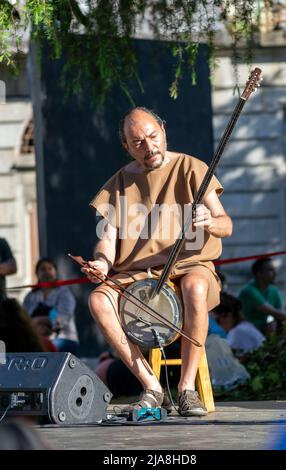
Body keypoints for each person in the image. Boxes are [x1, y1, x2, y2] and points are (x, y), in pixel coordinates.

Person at [83, 107, 232, 416]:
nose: (148, 147)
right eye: (137, 142)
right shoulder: (119, 183)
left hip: (190, 267)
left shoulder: (192, 167)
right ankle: (151, 385)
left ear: (163, 131)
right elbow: (108, 240)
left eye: (152, 137)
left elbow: (226, 225)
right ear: (126, 145)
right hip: (137, 274)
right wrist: (100, 263)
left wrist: (210, 220)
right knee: (98, 301)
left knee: (194, 287)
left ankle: (187, 389)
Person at [23, 258, 79, 354]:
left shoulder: (64, 293)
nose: (46, 272)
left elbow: (63, 319)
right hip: (37, 337)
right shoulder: (31, 296)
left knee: (44, 349)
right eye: (43, 269)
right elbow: (24, 319)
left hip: (63, 339)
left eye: (50, 269)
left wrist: (38, 321)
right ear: (37, 274)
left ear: (55, 272)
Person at [239, 257, 286, 335]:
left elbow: (282, 312)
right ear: (259, 273)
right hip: (248, 334)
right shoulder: (248, 291)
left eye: (274, 269)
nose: (275, 273)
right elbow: (274, 312)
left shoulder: (273, 290)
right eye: (271, 270)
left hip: (266, 332)